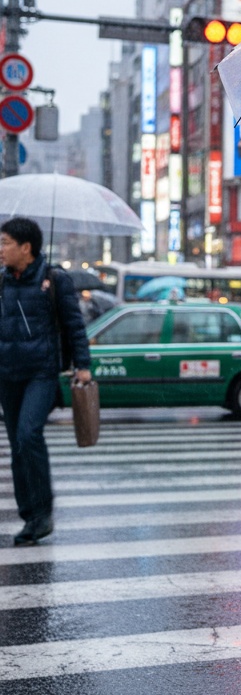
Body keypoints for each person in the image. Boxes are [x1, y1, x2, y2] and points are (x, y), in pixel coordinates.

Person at [0, 218, 91, 546]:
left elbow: (74, 324)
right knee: (17, 446)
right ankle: (31, 519)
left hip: (41, 373)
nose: (1, 249)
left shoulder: (55, 279)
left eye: (6, 243)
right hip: (7, 374)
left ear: (26, 247)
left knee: (28, 434)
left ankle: (43, 512)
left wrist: (83, 365)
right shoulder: (2, 281)